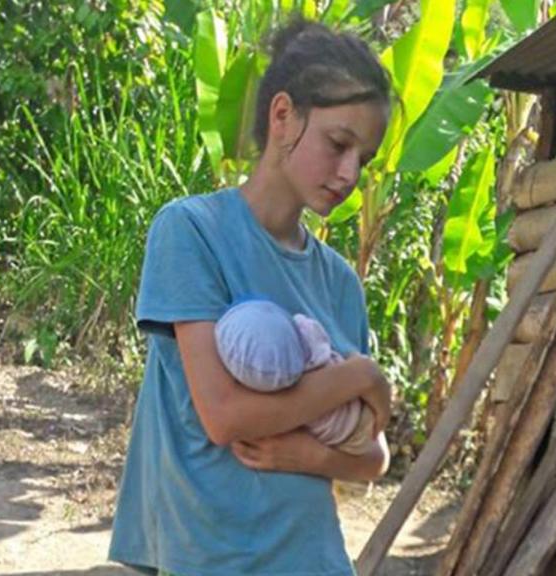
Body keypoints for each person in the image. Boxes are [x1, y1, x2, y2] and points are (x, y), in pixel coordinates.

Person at [109, 19, 393, 576]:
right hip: (212, 558)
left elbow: (371, 454)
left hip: (314, 561)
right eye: (339, 144)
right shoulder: (191, 231)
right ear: (283, 115)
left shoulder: (340, 283)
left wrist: (308, 455)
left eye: (364, 159)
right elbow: (225, 416)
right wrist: (362, 376)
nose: (349, 174)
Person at [214, 298, 375, 455]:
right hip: (359, 413)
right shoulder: (310, 350)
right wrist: (364, 374)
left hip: (343, 435)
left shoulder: (272, 390)